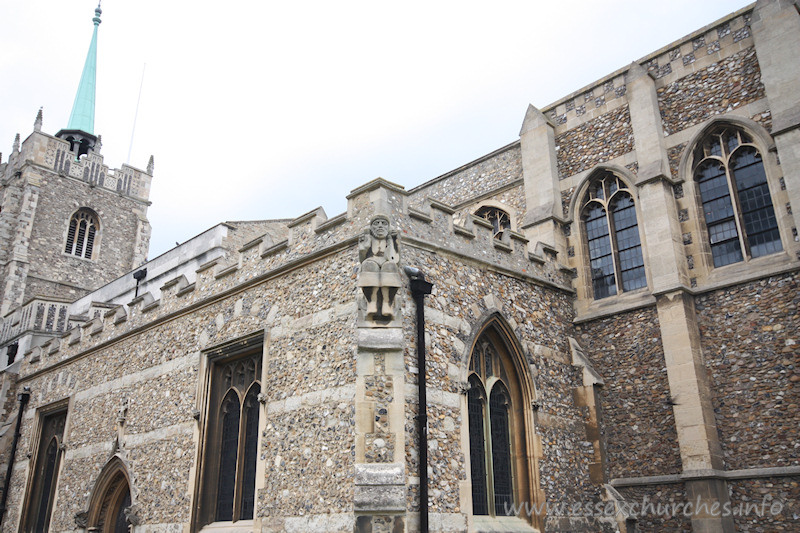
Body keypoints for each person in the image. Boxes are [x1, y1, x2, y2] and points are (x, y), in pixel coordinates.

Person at [358, 215, 401, 320]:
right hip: (372, 260)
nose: (380, 226)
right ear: (371, 228)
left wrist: (394, 241)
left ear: (388, 227)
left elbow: (394, 259)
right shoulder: (369, 238)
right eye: (376, 224)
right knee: (368, 265)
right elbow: (362, 258)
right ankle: (372, 302)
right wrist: (364, 244)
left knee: (390, 266)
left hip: (386, 261)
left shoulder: (390, 239)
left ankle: (387, 303)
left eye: (383, 223)